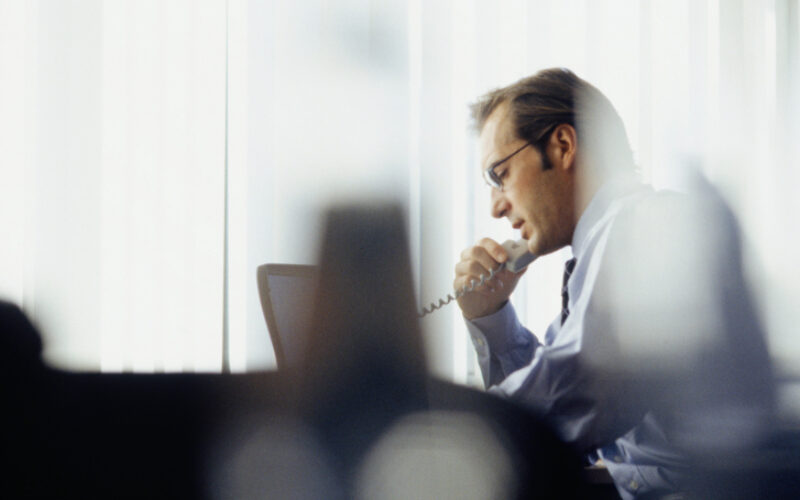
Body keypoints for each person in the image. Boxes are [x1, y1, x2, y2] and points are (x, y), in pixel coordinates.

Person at [455, 68, 775, 499]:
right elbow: (554, 404)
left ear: (562, 145)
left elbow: (579, 392)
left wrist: (453, 430)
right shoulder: (598, 257)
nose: (496, 207)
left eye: (501, 174)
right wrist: (491, 316)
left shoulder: (645, 228)